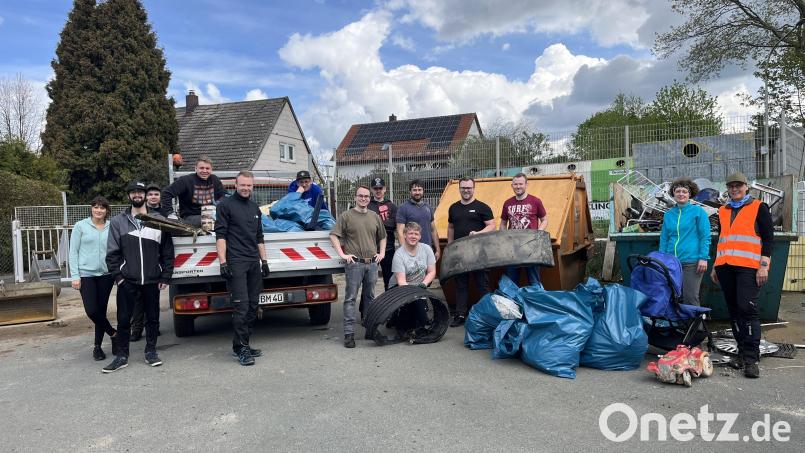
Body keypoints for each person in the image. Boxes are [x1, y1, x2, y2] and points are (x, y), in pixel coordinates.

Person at [103, 181, 174, 373]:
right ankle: (122, 356)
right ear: (129, 196)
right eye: (133, 192)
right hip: (128, 280)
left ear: (145, 195)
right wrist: (119, 278)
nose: (137, 195)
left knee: (153, 318)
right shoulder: (118, 222)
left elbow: (167, 250)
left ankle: (151, 352)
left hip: (152, 279)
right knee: (124, 319)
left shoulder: (158, 219)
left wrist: (165, 276)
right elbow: (112, 253)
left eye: (140, 192)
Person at [710, 172, 773, 379]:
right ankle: (741, 351)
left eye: (739, 186)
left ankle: (751, 359)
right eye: (731, 186)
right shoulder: (723, 210)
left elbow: (768, 239)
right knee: (734, 311)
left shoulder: (759, 207)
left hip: (748, 267)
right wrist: (715, 266)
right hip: (725, 266)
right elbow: (722, 239)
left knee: (747, 310)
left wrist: (764, 266)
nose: (735, 189)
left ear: (747, 187)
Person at [215, 171, 270, 366]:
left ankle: (242, 344)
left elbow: (259, 237)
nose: (246, 188)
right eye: (243, 185)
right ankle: (241, 350)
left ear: (253, 187)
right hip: (236, 262)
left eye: (249, 185)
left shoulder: (255, 208)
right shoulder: (225, 206)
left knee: (253, 306)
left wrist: (264, 262)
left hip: (253, 262)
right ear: (235, 185)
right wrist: (223, 262)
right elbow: (220, 236)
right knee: (242, 307)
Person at [330, 186, 387, 348]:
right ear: (355, 197)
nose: (363, 199)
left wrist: (381, 253)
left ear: (370, 198)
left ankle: (370, 330)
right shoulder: (346, 216)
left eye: (366, 196)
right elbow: (334, 235)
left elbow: (383, 236)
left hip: (372, 264)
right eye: (360, 196)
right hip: (355, 264)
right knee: (350, 299)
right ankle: (349, 334)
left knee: (369, 298)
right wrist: (343, 255)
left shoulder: (374, 216)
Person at [69, 196, 117, 362]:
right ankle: (113, 333)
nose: (98, 210)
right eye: (96, 207)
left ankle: (97, 347)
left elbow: (116, 250)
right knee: (92, 311)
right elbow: (73, 252)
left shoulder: (112, 226)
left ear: (106, 210)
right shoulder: (80, 226)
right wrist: (75, 275)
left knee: (101, 311)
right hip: (86, 274)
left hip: (106, 275)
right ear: (91, 208)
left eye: (102, 207)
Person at [447, 177, 496, 327]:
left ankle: (486, 316)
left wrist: (479, 232)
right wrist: (450, 246)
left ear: (473, 189)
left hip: (479, 253)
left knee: (482, 285)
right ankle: (461, 314)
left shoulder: (483, 207)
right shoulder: (453, 208)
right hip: (460, 254)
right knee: (461, 284)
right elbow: (451, 228)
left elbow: (492, 226)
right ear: (459, 189)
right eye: (463, 188)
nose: (466, 190)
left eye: (469, 188)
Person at [659, 177, 711, 306]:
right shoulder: (669, 214)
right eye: (678, 191)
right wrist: (662, 259)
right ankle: (680, 326)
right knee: (675, 297)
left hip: (691, 262)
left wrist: (703, 257)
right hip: (672, 263)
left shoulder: (698, 212)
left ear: (690, 194)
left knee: (690, 297)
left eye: (684, 191)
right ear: (673, 194)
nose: (681, 194)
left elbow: (705, 236)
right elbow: (664, 239)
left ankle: (696, 326)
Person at [500, 173, 548, 286]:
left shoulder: (535, 201)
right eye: (515, 184)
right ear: (512, 185)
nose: (518, 186)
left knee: (534, 281)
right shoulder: (507, 203)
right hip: (513, 248)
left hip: (531, 247)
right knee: (511, 281)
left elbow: (544, 220)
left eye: (521, 184)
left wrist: (538, 233)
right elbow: (503, 223)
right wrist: (504, 237)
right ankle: (513, 303)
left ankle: (536, 301)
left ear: (526, 184)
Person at [131, 182, 163, 342]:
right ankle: (136, 329)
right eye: (150, 194)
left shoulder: (162, 215)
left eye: (156, 194)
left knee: (153, 302)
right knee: (137, 301)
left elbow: (165, 245)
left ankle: (153, 329)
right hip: (136, 266)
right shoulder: (133, 214)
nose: (153, 197)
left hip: (153, 265)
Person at [160, 155, 226, 226]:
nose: (204, 171)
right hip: (190, 217)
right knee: (209, 220)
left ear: (211, 169)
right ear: (195, 168)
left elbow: (224, 196)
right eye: (201, 168)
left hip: (211, 214)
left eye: (207, 168)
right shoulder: (185, 181)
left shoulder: (214, 180)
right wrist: (170, 213)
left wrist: (218, 204)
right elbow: (166, 193)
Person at [396, 179, 440, 261]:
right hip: (412, 252)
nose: (417, 192)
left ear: (423, 191)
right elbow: (400, 232)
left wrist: (438, 249)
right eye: (414, 190)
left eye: (419, 190)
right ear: (410, 191)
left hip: (427, 251)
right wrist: (405, 252)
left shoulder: (428, 207)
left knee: (429, 273)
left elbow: (433, 230)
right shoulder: (403, 208)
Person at [367, 177, 397, 291]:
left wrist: (376, 223)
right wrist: (385, 223)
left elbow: (394, 225)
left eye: (380, 188)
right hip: (370, 250)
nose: (378, 190)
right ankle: (366, 308)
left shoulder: (392, 206)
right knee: (369, 282)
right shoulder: (367, 205)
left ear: (385, 189)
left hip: (388, 250)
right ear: (371, 189)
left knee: (389, 281)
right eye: (375, 188)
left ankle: (389, 308)